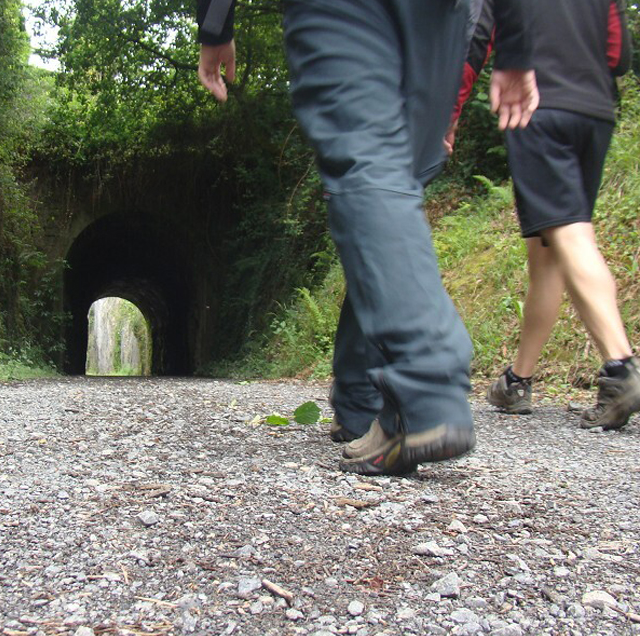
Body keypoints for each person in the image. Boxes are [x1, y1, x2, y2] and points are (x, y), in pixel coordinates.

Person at [198, 0, 539, 475]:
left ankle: (424, 383)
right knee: (389, 197)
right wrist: (517, 43)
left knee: (369, 172)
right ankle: (382, 408)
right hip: (445, 22)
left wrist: (215, 24)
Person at [451, 0, 640, 429]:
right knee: (549, 250)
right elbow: (620, 56)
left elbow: (475, 44)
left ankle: (621, 367)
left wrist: (447, 117)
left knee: (570, 235)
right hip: (595, 112)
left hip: (535, 108)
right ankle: (517, 381)